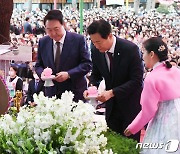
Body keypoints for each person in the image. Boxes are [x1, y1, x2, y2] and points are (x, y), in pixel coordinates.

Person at [84, 19, 144, 141]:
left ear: (110, 36)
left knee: (130, 145)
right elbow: (96, 74)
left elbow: (137, 80)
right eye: (93, 42)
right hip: (111, 108)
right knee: (113, 143)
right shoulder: (96, 50)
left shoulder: (130, 49)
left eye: (99, 42)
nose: (96, 45)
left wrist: (112, 92)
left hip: (130, 106)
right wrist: (92, 88)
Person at [124, 37, 180, 154]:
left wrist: (133, 127)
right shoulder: (175, 71)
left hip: (164, 122)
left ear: (152, 54)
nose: (142, 57)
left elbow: (148, 111)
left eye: (143, 52)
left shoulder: (152, 77)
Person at [35, 10, 92, 101]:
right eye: (49, 30)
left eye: (56, 29)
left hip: (74, 93)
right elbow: (38, 65)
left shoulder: (78, 40)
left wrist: (69, 74)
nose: (53, 33)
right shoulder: (43, 42)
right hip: (50, 93)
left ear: (63, 25)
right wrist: (42, 73)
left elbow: (87, 64)